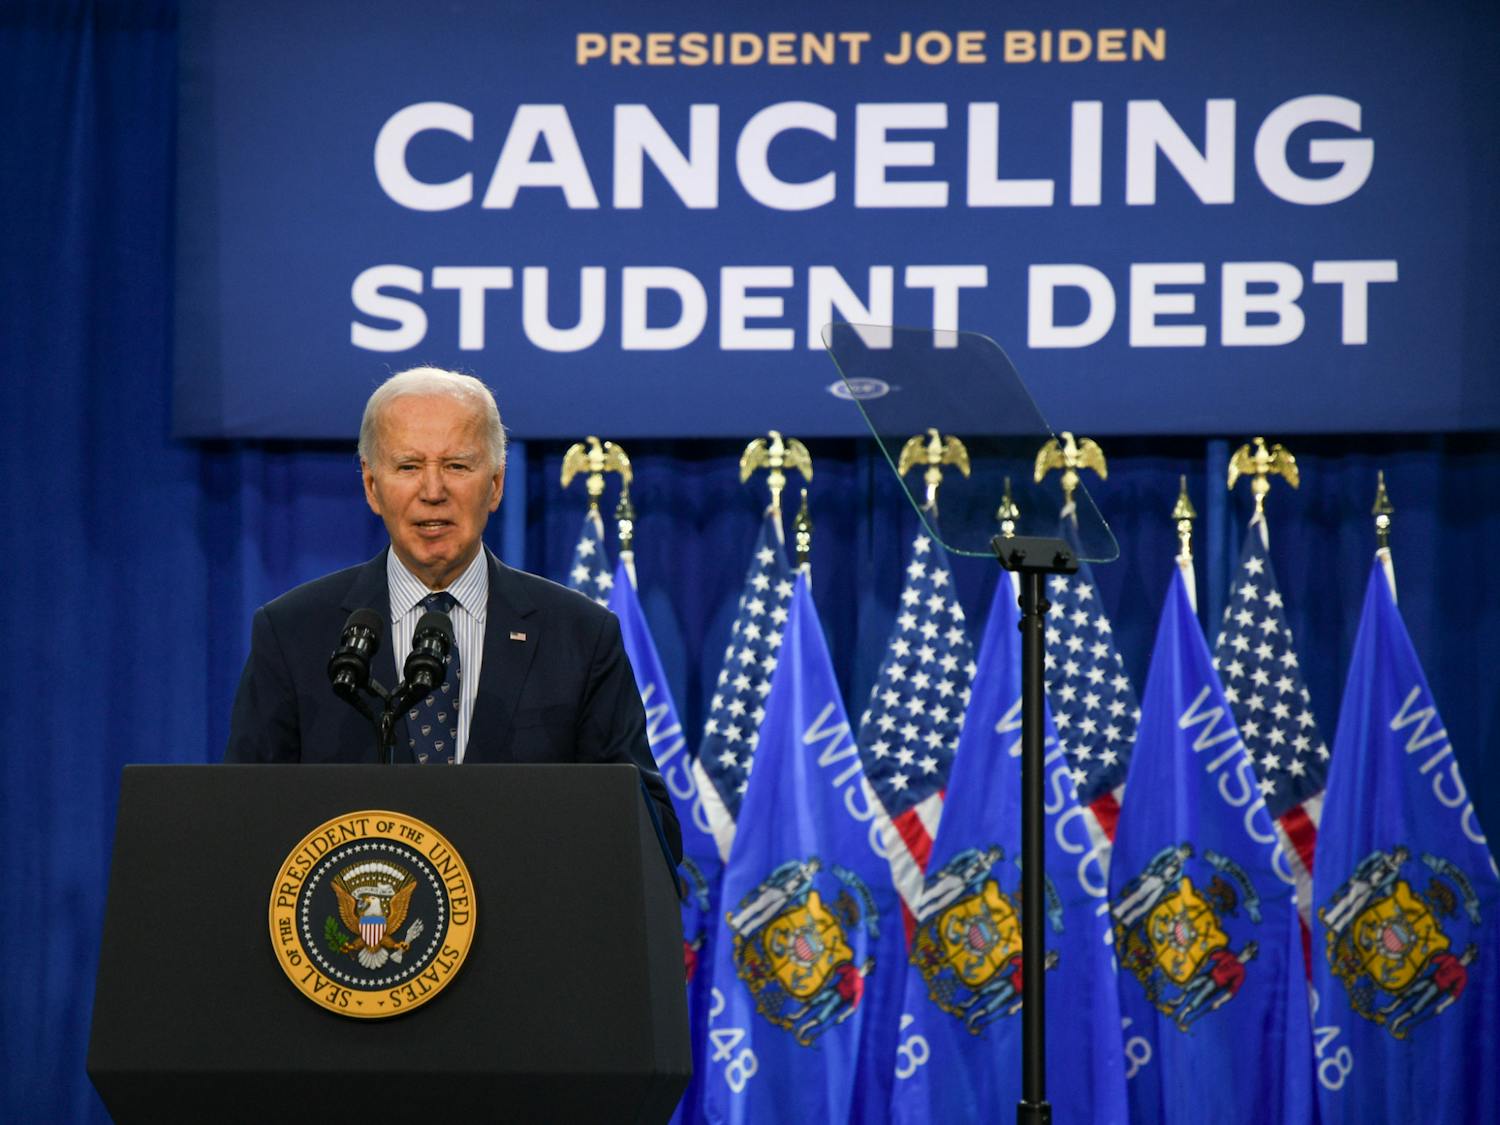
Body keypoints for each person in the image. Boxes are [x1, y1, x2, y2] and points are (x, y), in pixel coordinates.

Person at [225, 366, 681, 864]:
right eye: (408, 466)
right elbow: (243, 821)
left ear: (496, 484)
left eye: (458, 466)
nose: (433, 490)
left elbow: (650, 825)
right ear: (372, 486)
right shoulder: (294, 634)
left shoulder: (580, 635)